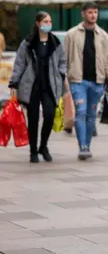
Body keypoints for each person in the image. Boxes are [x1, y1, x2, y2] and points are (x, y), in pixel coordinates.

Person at [64, 2, 108, 160]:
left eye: (95, 12)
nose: (93, 15)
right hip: (78, 80)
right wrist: (63, 77)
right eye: (90, 12)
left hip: (97, 81)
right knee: (81, 112)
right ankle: (82, 146)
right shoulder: (71, 34)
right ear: (83, 14)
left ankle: (87, 145)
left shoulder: (103, 36)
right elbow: (64, 58)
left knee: (91, 115)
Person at [8, 11, 67, 163]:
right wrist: (14, 82)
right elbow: (20, 63)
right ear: (38, 23)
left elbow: (63, 61)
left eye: (50, 21)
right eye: (45, 21)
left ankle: (43, 146)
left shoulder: (56, 42)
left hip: (49, 85)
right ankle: (33, 150)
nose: (48, 24)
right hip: (31, 85)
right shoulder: (27, 43)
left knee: (49, 115)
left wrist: (61, 74)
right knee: (33, 120)